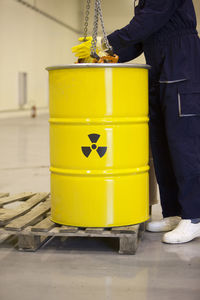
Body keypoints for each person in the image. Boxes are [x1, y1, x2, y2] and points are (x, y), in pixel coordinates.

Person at [72, 0, 200, 244]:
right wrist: (106, 55)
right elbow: (142, 39)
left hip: (182, 67)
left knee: (185, 146)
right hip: (158, 70)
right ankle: (174, 212)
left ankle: (194, 217)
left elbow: (146, 22)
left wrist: (105, 42)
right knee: (162, 147)